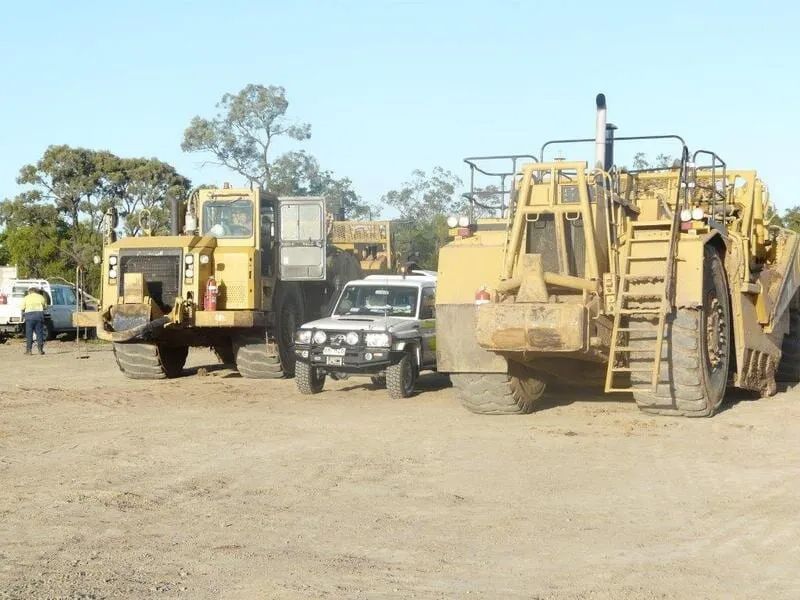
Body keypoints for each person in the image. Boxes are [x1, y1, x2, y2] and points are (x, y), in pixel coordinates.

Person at [22, 286, 48, 355]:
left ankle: (29, 351)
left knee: (29, 334)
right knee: (39, 333)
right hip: (39, 316)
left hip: (29, 317)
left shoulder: (26, 297)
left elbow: (22, 307)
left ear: (30, 292)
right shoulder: (41, 297)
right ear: (37, 291)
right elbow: (45, 306)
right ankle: (40, 350)